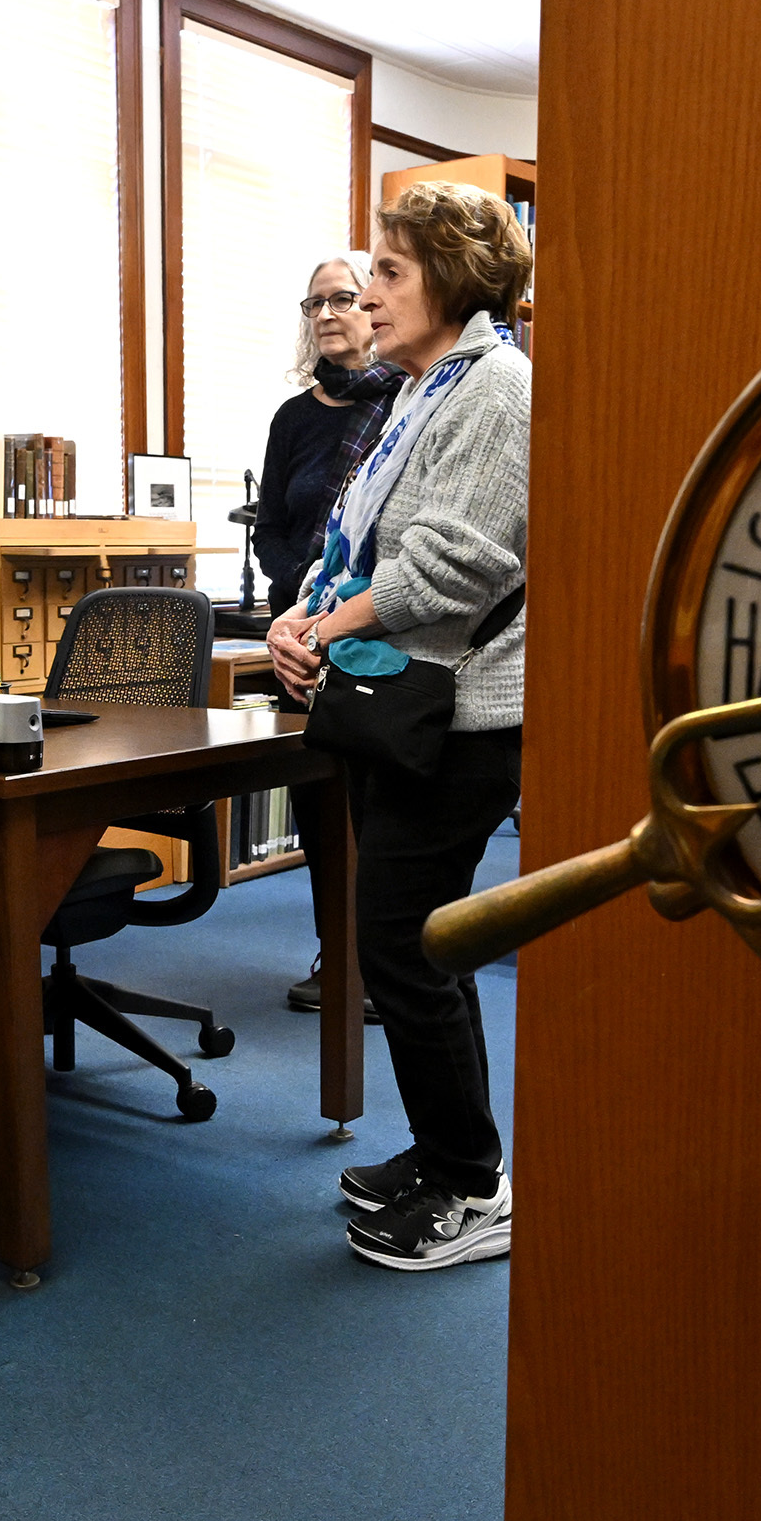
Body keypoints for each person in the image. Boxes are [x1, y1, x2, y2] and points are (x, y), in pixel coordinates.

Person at [267, 181, 531, 1273]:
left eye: (387, 272)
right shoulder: (424, 389)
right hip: (401, 701)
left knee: (405, 945)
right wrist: (300, 615)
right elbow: (355, 545)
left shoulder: (498, 390)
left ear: (451, 281)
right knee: (418, 942)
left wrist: (328, 624)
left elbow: (458, 562)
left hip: (461, 715)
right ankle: (445, 1151)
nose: (366, 296)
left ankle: (473, 1185)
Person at [256, 252, 402, 1017]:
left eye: (341, 298)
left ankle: (380, 960)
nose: (327, 314)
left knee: (374, 807)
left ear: (372, 306)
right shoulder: (294, 417)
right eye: (313, 304)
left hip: (373, 628)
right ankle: (334, 949)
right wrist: (298, 590)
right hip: (299, 632)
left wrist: (332, 599)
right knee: (321, 806)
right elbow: (271, 527)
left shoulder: (405, 399)